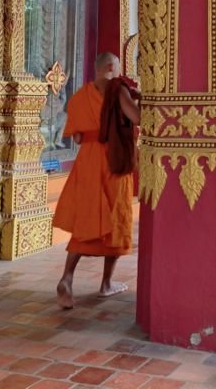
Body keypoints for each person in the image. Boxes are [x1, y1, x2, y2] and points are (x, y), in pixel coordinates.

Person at [53, 52, 141, 309]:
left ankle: (67, 278)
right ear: (112, 67)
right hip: (113, 160)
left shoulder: (79, 97)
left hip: (87, 162)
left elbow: (78, 139)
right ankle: (106, 283)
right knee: (116, 216)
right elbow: (137, 119)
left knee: (87, 219)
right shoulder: (117, 90)